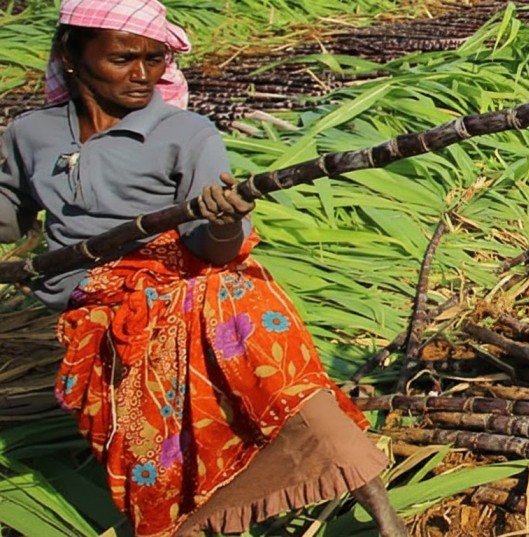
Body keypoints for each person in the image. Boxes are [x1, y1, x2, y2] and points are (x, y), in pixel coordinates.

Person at [0, 1, 408, 535]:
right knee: (164, 420)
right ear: (70, 57)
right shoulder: (31, 134)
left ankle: (379, 509)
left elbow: (215, 247)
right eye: (123, 59)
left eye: (154, 58)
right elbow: (9, 220)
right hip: (95, 302)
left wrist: (223, 223)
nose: (143, 74)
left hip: (187, 284)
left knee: (257, 335)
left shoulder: (185, 134)